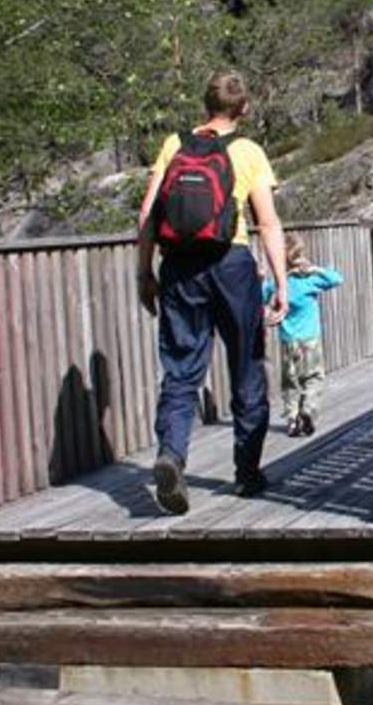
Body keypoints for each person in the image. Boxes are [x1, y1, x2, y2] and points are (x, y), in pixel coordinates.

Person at [136, 71, 287, 511]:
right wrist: (282, 282)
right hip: (232, 265)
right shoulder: (248, 151)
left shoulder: (174, 144)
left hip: (180, 267)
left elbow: (148, 213)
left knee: (181, 369)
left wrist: (144, 272)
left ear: (205, 105)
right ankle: (247, 472)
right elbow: (268, 221)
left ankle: (171, 455)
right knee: (246, 366)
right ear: (244, 109)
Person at [262, 236, 344, 438]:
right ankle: (307, 410)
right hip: (310, 340)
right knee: (313, 378)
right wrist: (315, 269)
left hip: (288, 341)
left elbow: (259, 296)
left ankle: (292, 421)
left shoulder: (278, 285)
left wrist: (267, 310)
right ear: (299, 256)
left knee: (291, 382)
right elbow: (336, 279)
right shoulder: (310, 281)